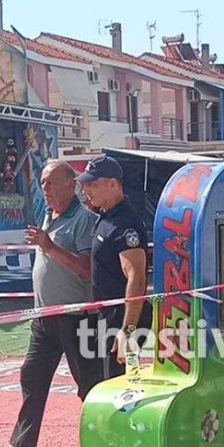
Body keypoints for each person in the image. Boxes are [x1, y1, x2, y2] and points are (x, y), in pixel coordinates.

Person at [0, 160, 99, 447]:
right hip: (45, 317)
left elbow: (87, 269)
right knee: (32, 376)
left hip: (76, 317)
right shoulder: (49, 215)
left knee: (89, 385)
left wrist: (49, 247)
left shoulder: (84, 220)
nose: (45, 189)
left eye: (51, 183)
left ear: (70, 184)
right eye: (42, 184)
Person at [76, 155, 151, 380]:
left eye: (92, 184)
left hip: (121, 317)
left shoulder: (125, 223)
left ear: (112, 184)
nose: (86, 190)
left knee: (119, 385)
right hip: (108, 314)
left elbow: (137, 278)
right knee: (105, 381)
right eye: (85, 184)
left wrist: (127, 330)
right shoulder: (106, 216)